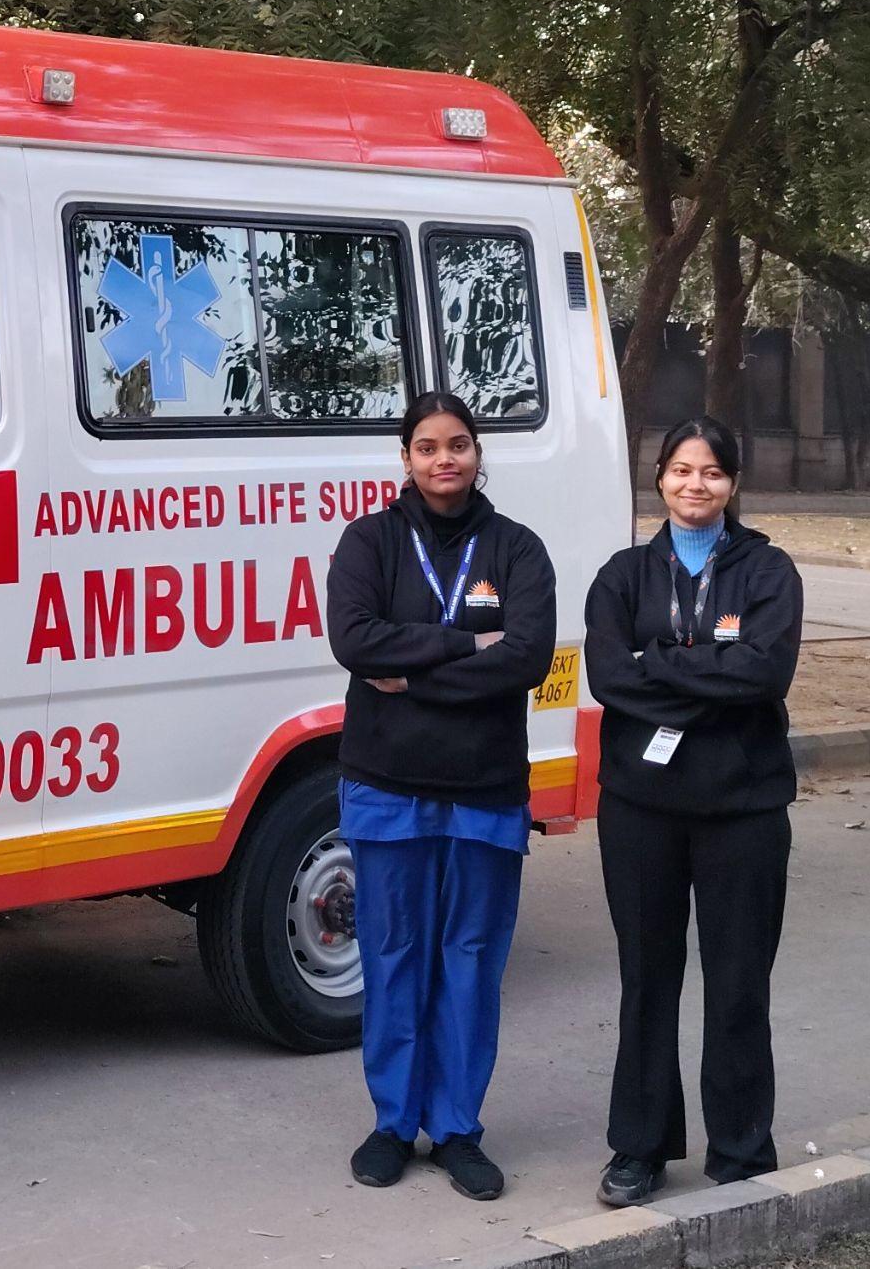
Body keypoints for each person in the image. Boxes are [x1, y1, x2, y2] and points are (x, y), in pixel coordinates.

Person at [326, 391, 557, 1201]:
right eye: (426, 446)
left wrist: (410, 674)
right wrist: (465, 647)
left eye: (457, 444)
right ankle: (393, 1123)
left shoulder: (518, 549)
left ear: (477, 452)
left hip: (486, 790)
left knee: (470, 960)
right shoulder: (370, 541)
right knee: (392, 955)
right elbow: (352, 638)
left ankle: (457, 1126)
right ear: (406, 458)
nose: (444, 459)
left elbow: (527, 657)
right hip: (388, 785)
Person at [583, 416, 802, 1206]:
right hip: (641, 808)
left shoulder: (771, 571)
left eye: (711, 471)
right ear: (660, 478)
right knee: (648, 978)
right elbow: (610, 675)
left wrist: (663, 664)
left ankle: (741, 1149)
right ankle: (639, 1146)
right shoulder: (622, 575)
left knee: (740, 980)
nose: (694, 484)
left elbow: (764, 672)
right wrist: (711, 669)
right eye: (680, 469)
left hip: (743, 806)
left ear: (733, 483)